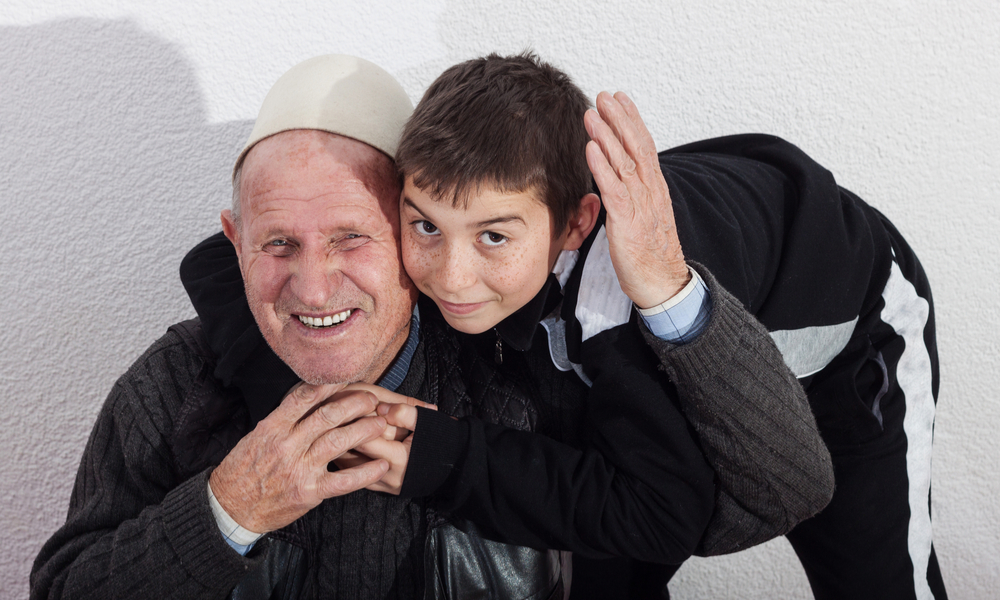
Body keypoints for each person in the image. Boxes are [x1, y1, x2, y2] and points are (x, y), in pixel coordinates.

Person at [31, 54, 829, 600]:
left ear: (411, 234)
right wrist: (227, 509)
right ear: (235, 244)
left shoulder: (530, 372)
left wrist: (666, 286)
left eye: (353, 238)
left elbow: (773, 498)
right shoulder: (172, 389)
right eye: (278, 243)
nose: (313, 285)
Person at [374, 53, 941, 599]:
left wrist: (448, 460)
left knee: (875, 579)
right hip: (685, 300)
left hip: (859, 328)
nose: (450, 277)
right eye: (425, 226)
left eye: (493, 236)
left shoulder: (617, 303)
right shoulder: (515, 263)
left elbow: (669, 516)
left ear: (576, 224)